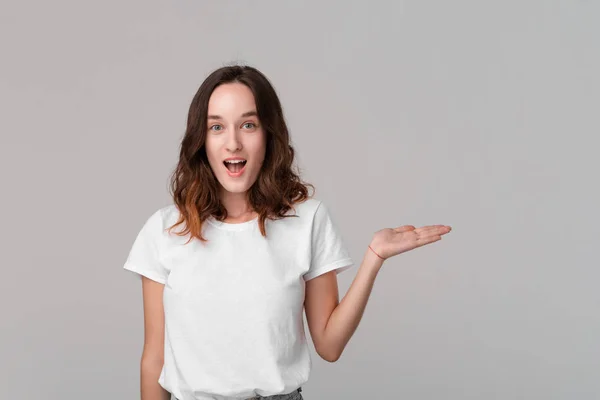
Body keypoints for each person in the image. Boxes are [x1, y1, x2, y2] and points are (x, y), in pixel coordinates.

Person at [123, 65, 452, 400]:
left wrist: (373, 259)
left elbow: (330, 345)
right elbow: (154, 360)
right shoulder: (165, 230)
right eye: (217, 127)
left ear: (268, 133)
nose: (233, 142)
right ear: (201, 140)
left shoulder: (308, 220)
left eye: (248, 125)